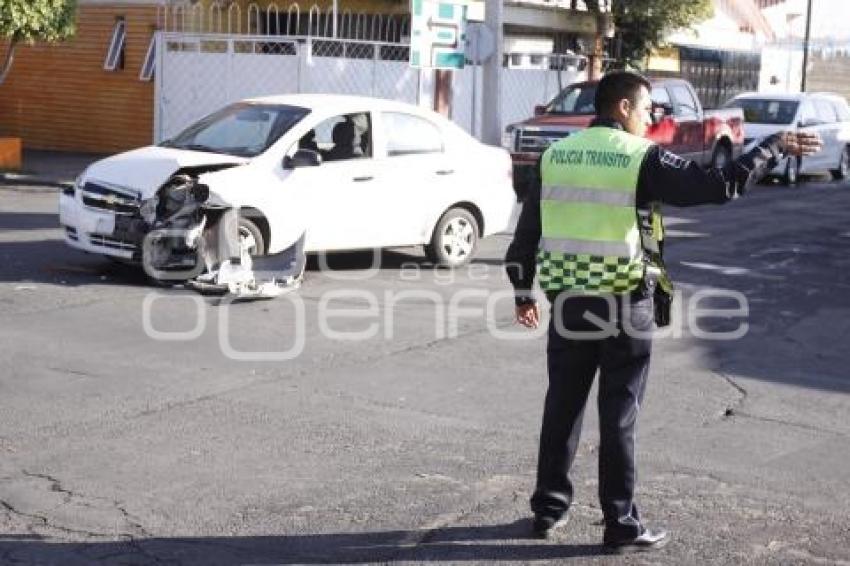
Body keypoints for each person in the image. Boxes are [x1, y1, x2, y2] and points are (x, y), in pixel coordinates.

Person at [505, 71, 821, 553]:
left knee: (562, 406)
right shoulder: (639, 158)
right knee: (620, 414)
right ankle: (620, 523)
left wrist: (523, 292)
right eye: (648, 109)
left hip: (568, 302)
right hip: (623, 303)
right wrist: (773, 146)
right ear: (625, 108)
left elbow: (526, 234)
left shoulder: (555, 156)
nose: (652, 119)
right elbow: (719, 185)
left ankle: (548, 510)